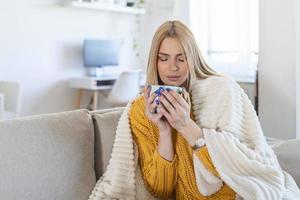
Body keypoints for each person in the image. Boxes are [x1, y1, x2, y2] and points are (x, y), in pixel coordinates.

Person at [88, 20, 300, 200]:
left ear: (193, 58)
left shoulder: (221, 91)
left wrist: (186, 125)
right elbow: (161, 190)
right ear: (155, 61)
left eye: (181, 58)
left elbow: (238, 170)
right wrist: (163, 131)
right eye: (164, 58)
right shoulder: (141, 111)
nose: (172, 67)